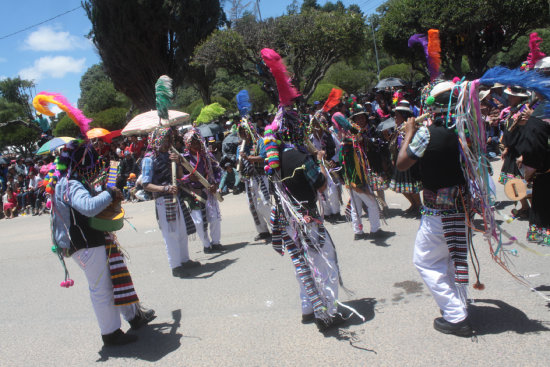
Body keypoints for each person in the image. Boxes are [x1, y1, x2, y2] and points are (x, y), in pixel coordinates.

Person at [51, 140, 155, 346]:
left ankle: (134, 316)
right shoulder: (71, 183)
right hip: (86, 244)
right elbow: (88, 207)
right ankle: (111, 333)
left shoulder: (69, 181)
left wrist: (107, 195)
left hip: (91, 242)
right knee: (102, 289)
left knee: (116, 278)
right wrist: (109, 194)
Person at [396, 80, 472, 337]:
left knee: (425, 261)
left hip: (438, 212)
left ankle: (455, 315)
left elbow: (402, 163)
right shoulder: (465, 129)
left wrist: (408, 134)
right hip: (462, 207)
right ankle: (458, 304)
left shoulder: (427, 134)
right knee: (450, 258)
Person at [141, 127, 200, 277]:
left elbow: (179, 176)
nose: (167, 143)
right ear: (155, 140)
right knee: (171, 233)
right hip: (163, 201)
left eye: (169, 139)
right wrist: (166, 188)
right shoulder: (148, 159)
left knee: (182, 231)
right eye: (164, 139)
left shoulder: (170, 156)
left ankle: (185, 260)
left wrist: (178, 163)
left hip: (176, 197)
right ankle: (176, 265)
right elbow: (145, 184)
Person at [179, 129, 224, 254]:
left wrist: (215, 183)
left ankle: (216, 242)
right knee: (198, 221)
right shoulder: (183, 159)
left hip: (209, 190)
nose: (196, 145)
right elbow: (178, 177)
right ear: (187, 144)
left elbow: (217, 170)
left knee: (214, 218)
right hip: (193, 193)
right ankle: (206, 244)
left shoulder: (208, 156)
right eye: (193, 143)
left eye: (198, 142)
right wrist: (188, 178)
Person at [237, 122, 272, 242]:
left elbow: (263, 157)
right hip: (248, 180)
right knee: (253, 206)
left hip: (261, 177)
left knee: (264, 204)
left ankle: (276, 228)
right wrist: (240, 162)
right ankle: (263, 231)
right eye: (241, 132)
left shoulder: (260, 142)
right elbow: (239, 164)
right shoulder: (240, 147)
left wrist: (248, 158)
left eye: (245, 132)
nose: (243, 134)